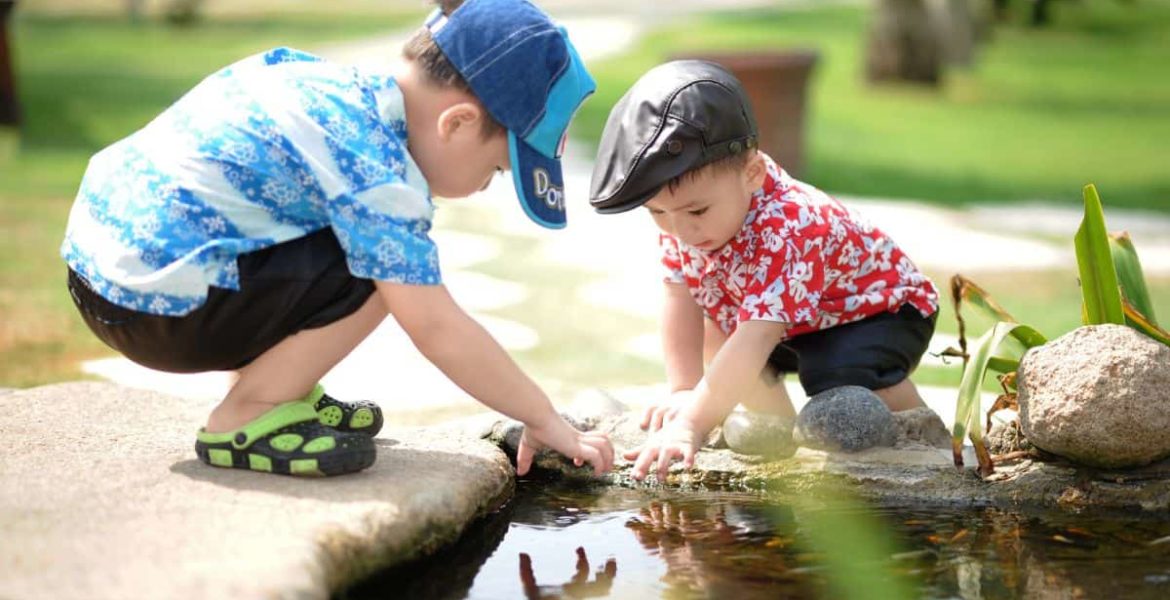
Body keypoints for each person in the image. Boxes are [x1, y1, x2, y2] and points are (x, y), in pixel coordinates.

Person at [60, 0, 613, 477]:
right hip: (155, 311)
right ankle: (250, 412)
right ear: (458, 123)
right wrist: (543, 417)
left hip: (103, 273)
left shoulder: (324, 86)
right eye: (495, 170)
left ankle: (280, 387)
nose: (482, 188)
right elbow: (436, 327)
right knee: (385, 272)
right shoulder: (376, 168)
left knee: (352, 240)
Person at [588, 60, 939, 481]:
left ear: (752, 173)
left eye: (696, 210)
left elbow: (757, 336)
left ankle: (922, 435)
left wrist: (690, 425)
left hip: (879, 313)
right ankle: (779, 439)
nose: (680, 229)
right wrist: (684, 390)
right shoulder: (686, 219)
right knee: (717, 330)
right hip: (794, 321)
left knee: (835, 375)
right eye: (657, 213)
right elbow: (678, 297)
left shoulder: (790, 225)